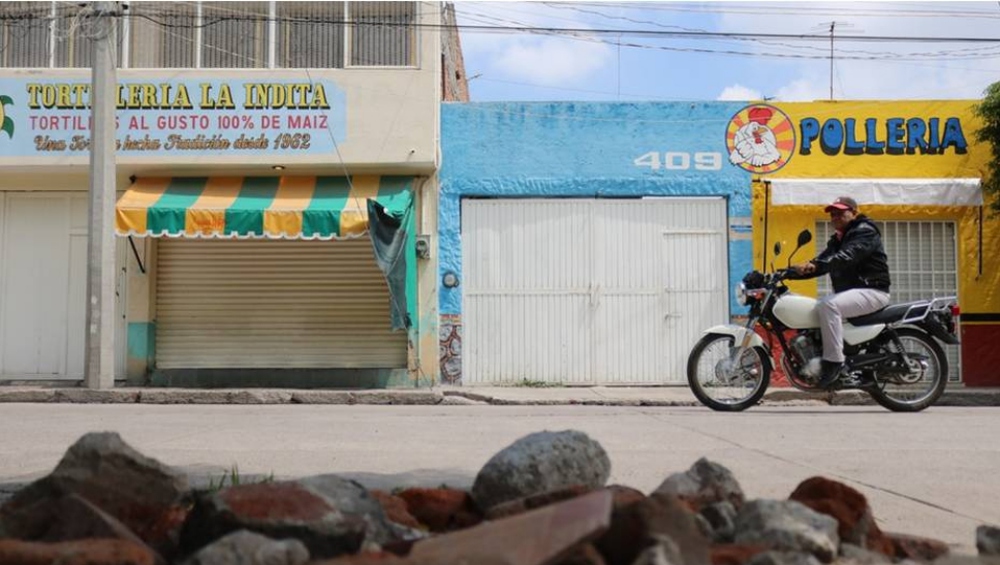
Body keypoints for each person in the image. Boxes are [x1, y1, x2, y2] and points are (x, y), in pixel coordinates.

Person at [791, 196, 891, 388]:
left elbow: (846, 257)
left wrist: (814, 265)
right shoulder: (838, 239)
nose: (835, 217)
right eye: (832, 214)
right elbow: (822, 262)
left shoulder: (865, 231)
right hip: (855, 293)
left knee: (829, 305)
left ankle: (834, 363)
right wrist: (788, 273)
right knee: (817, 307)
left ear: (854, 212)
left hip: (872, 290)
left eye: (840, 212)